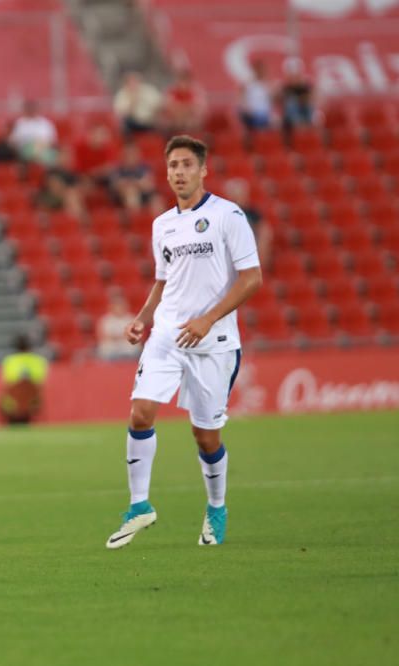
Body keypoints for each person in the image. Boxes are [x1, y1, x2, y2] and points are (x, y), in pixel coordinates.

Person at [105, 135, 262, 550]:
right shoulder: (162, 225)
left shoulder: (229, 215)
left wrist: (209, 319)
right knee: (140, 413)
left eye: (186, 165)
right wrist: (142, 317)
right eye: (172, 165)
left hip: (215, 342)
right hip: (167, 336)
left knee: (205, 437)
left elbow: (252, 279)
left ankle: (216, 507)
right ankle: (139, 505)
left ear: (203, 169)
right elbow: (164, 280)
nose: (178, 172)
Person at [0, 334, 49, 424]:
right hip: (33, 402)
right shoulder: (38, 360)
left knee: (7, 398)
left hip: (12, 403)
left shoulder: (9, 361)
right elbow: (40, 383)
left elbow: (7, 384)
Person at [8, 100, 58, 166]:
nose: (31, 110)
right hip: (25, 151)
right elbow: (13, 141)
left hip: (44, 150)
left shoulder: (45, 123)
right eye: (29, 108)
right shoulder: (20, 123)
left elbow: (52, 141)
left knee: (54, 156)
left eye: (32, 108)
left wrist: (40, 146)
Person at [96, 290, 139, 360]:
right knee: (106, 349)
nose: (119, 308)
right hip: (112, 347)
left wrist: (120, 336)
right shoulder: (105, 320)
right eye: (116, 306)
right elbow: (103, 336)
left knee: (134, 348)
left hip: (127, 346)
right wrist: (120, 336)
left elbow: (135, 335)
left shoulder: (132, 318)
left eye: (121, 305)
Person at [162, 67, 207, 133]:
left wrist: (185, 111)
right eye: (181, 79)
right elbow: (169, 107)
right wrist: (181, 111)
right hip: (174, 122)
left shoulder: (196, 91)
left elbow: (198, 108)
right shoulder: (171, 91)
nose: (183, 83)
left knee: (192, 121)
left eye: (185, 80)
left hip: (190, 121)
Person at [239, 60, 274, 130]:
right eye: (259, 70)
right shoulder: (248, 84)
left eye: (262, 70)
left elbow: (273, 100)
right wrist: (246, 109)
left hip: (265, 114)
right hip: (253, 114)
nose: (261, 72)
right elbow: (241, 99)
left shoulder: (268, 85)